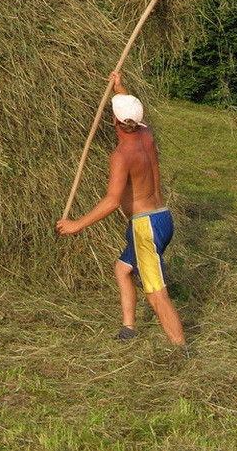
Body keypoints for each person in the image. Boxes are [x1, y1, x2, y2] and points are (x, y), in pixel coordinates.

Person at [56, 72, 187, 352]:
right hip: (163, 216)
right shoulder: (147, 136)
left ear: (113, 120)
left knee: (156, 294)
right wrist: (120, 89)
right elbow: (132, 116)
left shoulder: (121, 156)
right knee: (123, 269)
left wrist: (76, 225)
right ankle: (128, 328)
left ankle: (181, 350)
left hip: (145, 227)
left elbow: (112, 201)